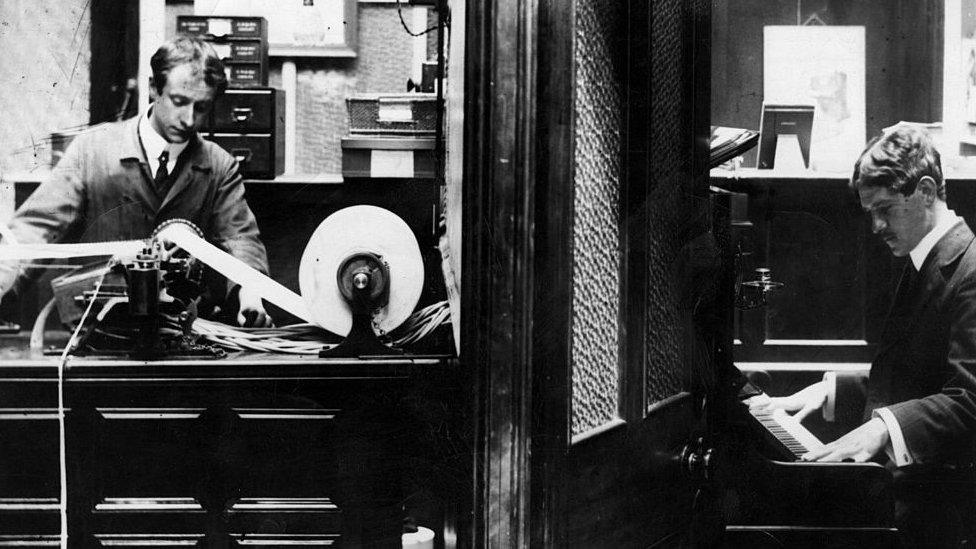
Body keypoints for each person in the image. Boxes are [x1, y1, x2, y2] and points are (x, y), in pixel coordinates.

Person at [752, 126, 976, 546]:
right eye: (869, 211)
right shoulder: (925, 259)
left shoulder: (971, 270)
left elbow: (970, 400)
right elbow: (917, 378)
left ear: (926, 191)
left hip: (945, 511)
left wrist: (880, 429)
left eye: (885, 209)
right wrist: (831, 389)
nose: (875, 226)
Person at [0, 36, 272, 327]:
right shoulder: (92, 150)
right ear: (154, 89)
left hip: (184, 335)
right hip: (99, 331)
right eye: (179, 102)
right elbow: (32, 233)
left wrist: (251, 295)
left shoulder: (219, 166)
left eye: (202, 107)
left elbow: (242, 241)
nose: (189, 119)